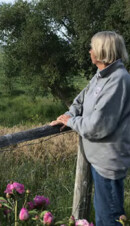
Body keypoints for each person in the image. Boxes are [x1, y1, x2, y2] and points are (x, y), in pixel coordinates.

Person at [50, 31, 130, 226]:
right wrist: (70, 113)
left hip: (108, 162)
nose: (89, 51)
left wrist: (70, 122)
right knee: (104, 213)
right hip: (98, 159)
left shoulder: (118, 79)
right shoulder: (101, 75)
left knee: (109, 218)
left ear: (102, 51)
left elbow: (97, 126)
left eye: (92, 47)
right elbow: (81, 99)